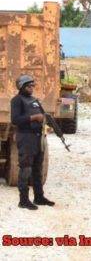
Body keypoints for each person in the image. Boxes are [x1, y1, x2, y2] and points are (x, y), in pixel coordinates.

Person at [10, 74, 55, 210]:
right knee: (26, 168)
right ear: (22, 86)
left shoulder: (34, 100)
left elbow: (43, 117)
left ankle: (39, 197)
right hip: (26, 137)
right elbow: (15, 120)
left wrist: (47, 126)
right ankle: (23, 200)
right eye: (29, 86)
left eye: (32, 86)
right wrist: (34, 117)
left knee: (37, 168)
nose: (31, 88)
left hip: (38, 137)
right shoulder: (17, 100)